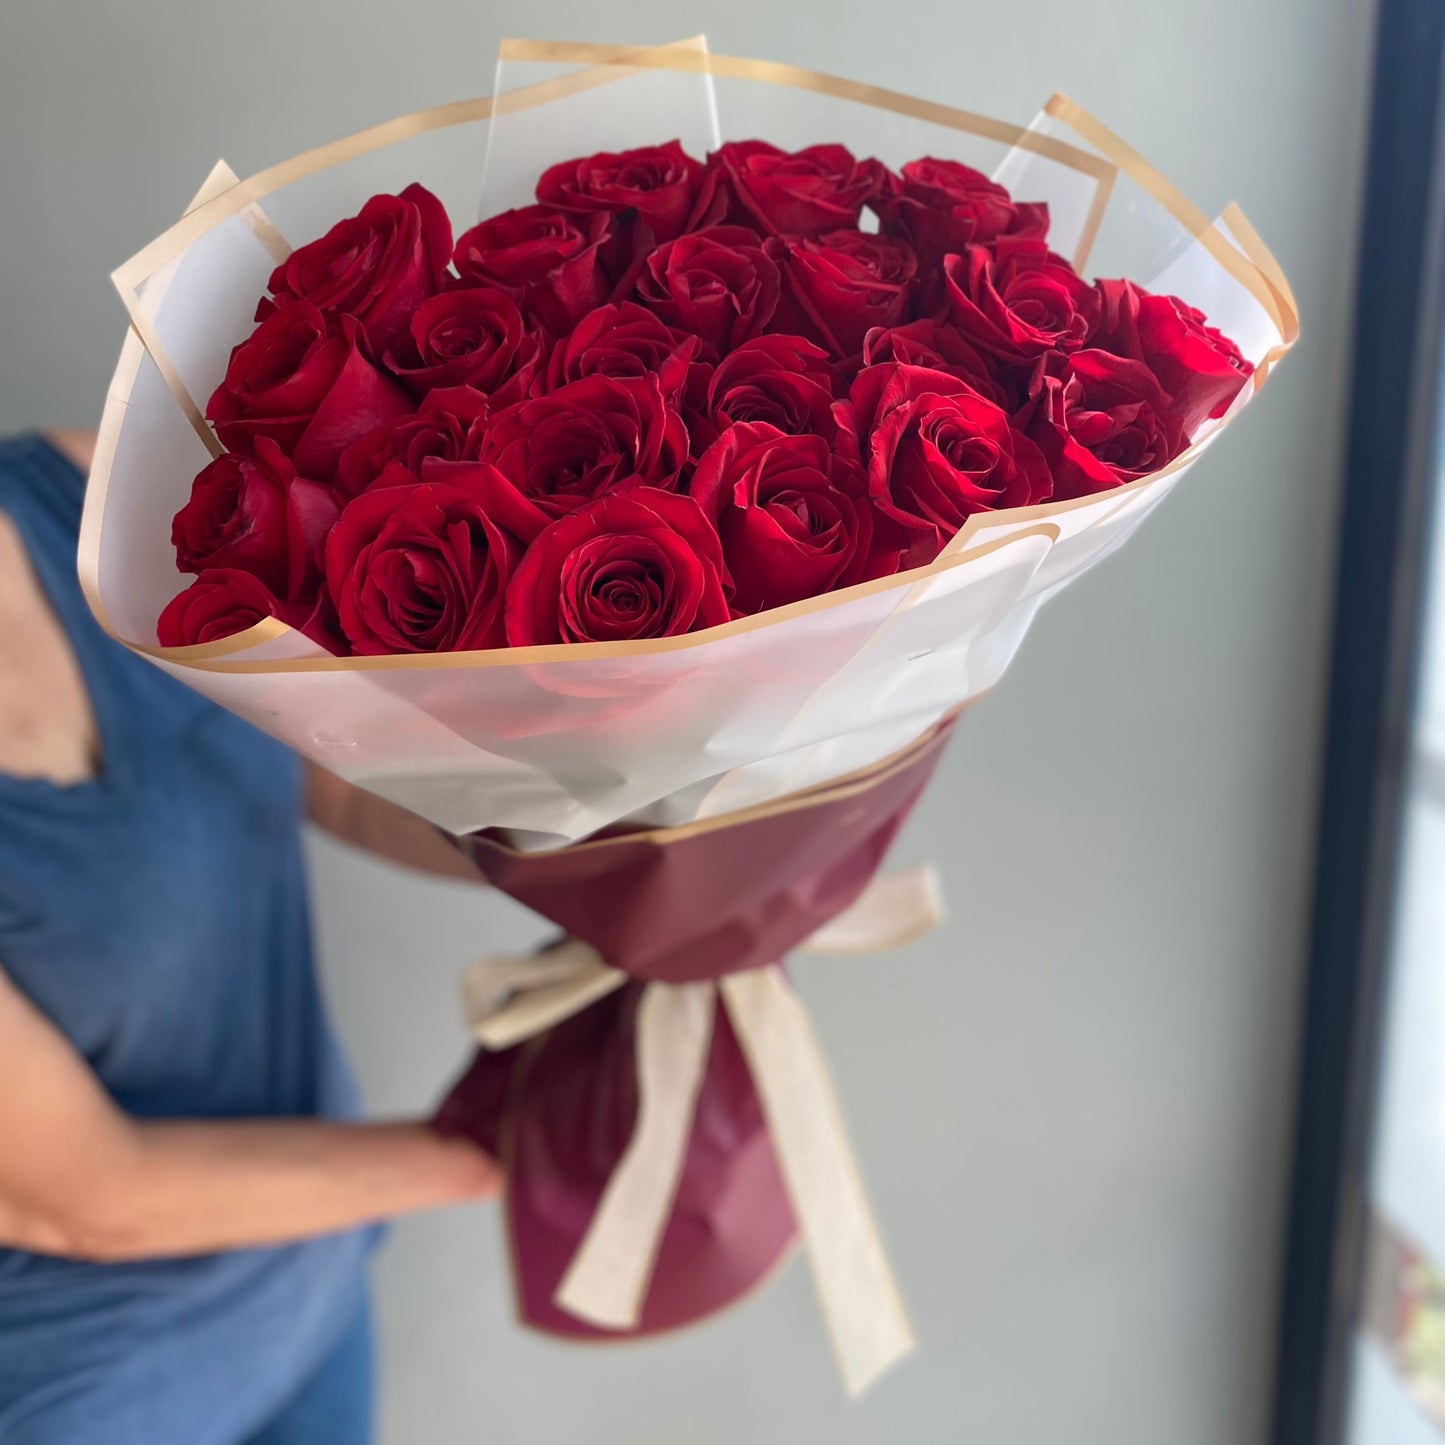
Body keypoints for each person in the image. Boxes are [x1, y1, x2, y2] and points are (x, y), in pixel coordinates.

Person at [0, 430, 501, 1445]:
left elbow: (330, 782)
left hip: (311, 1300)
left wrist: (618, 864)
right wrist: (509, 1148)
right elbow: (90, 1196)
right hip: (85, 1395)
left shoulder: (94, 496)